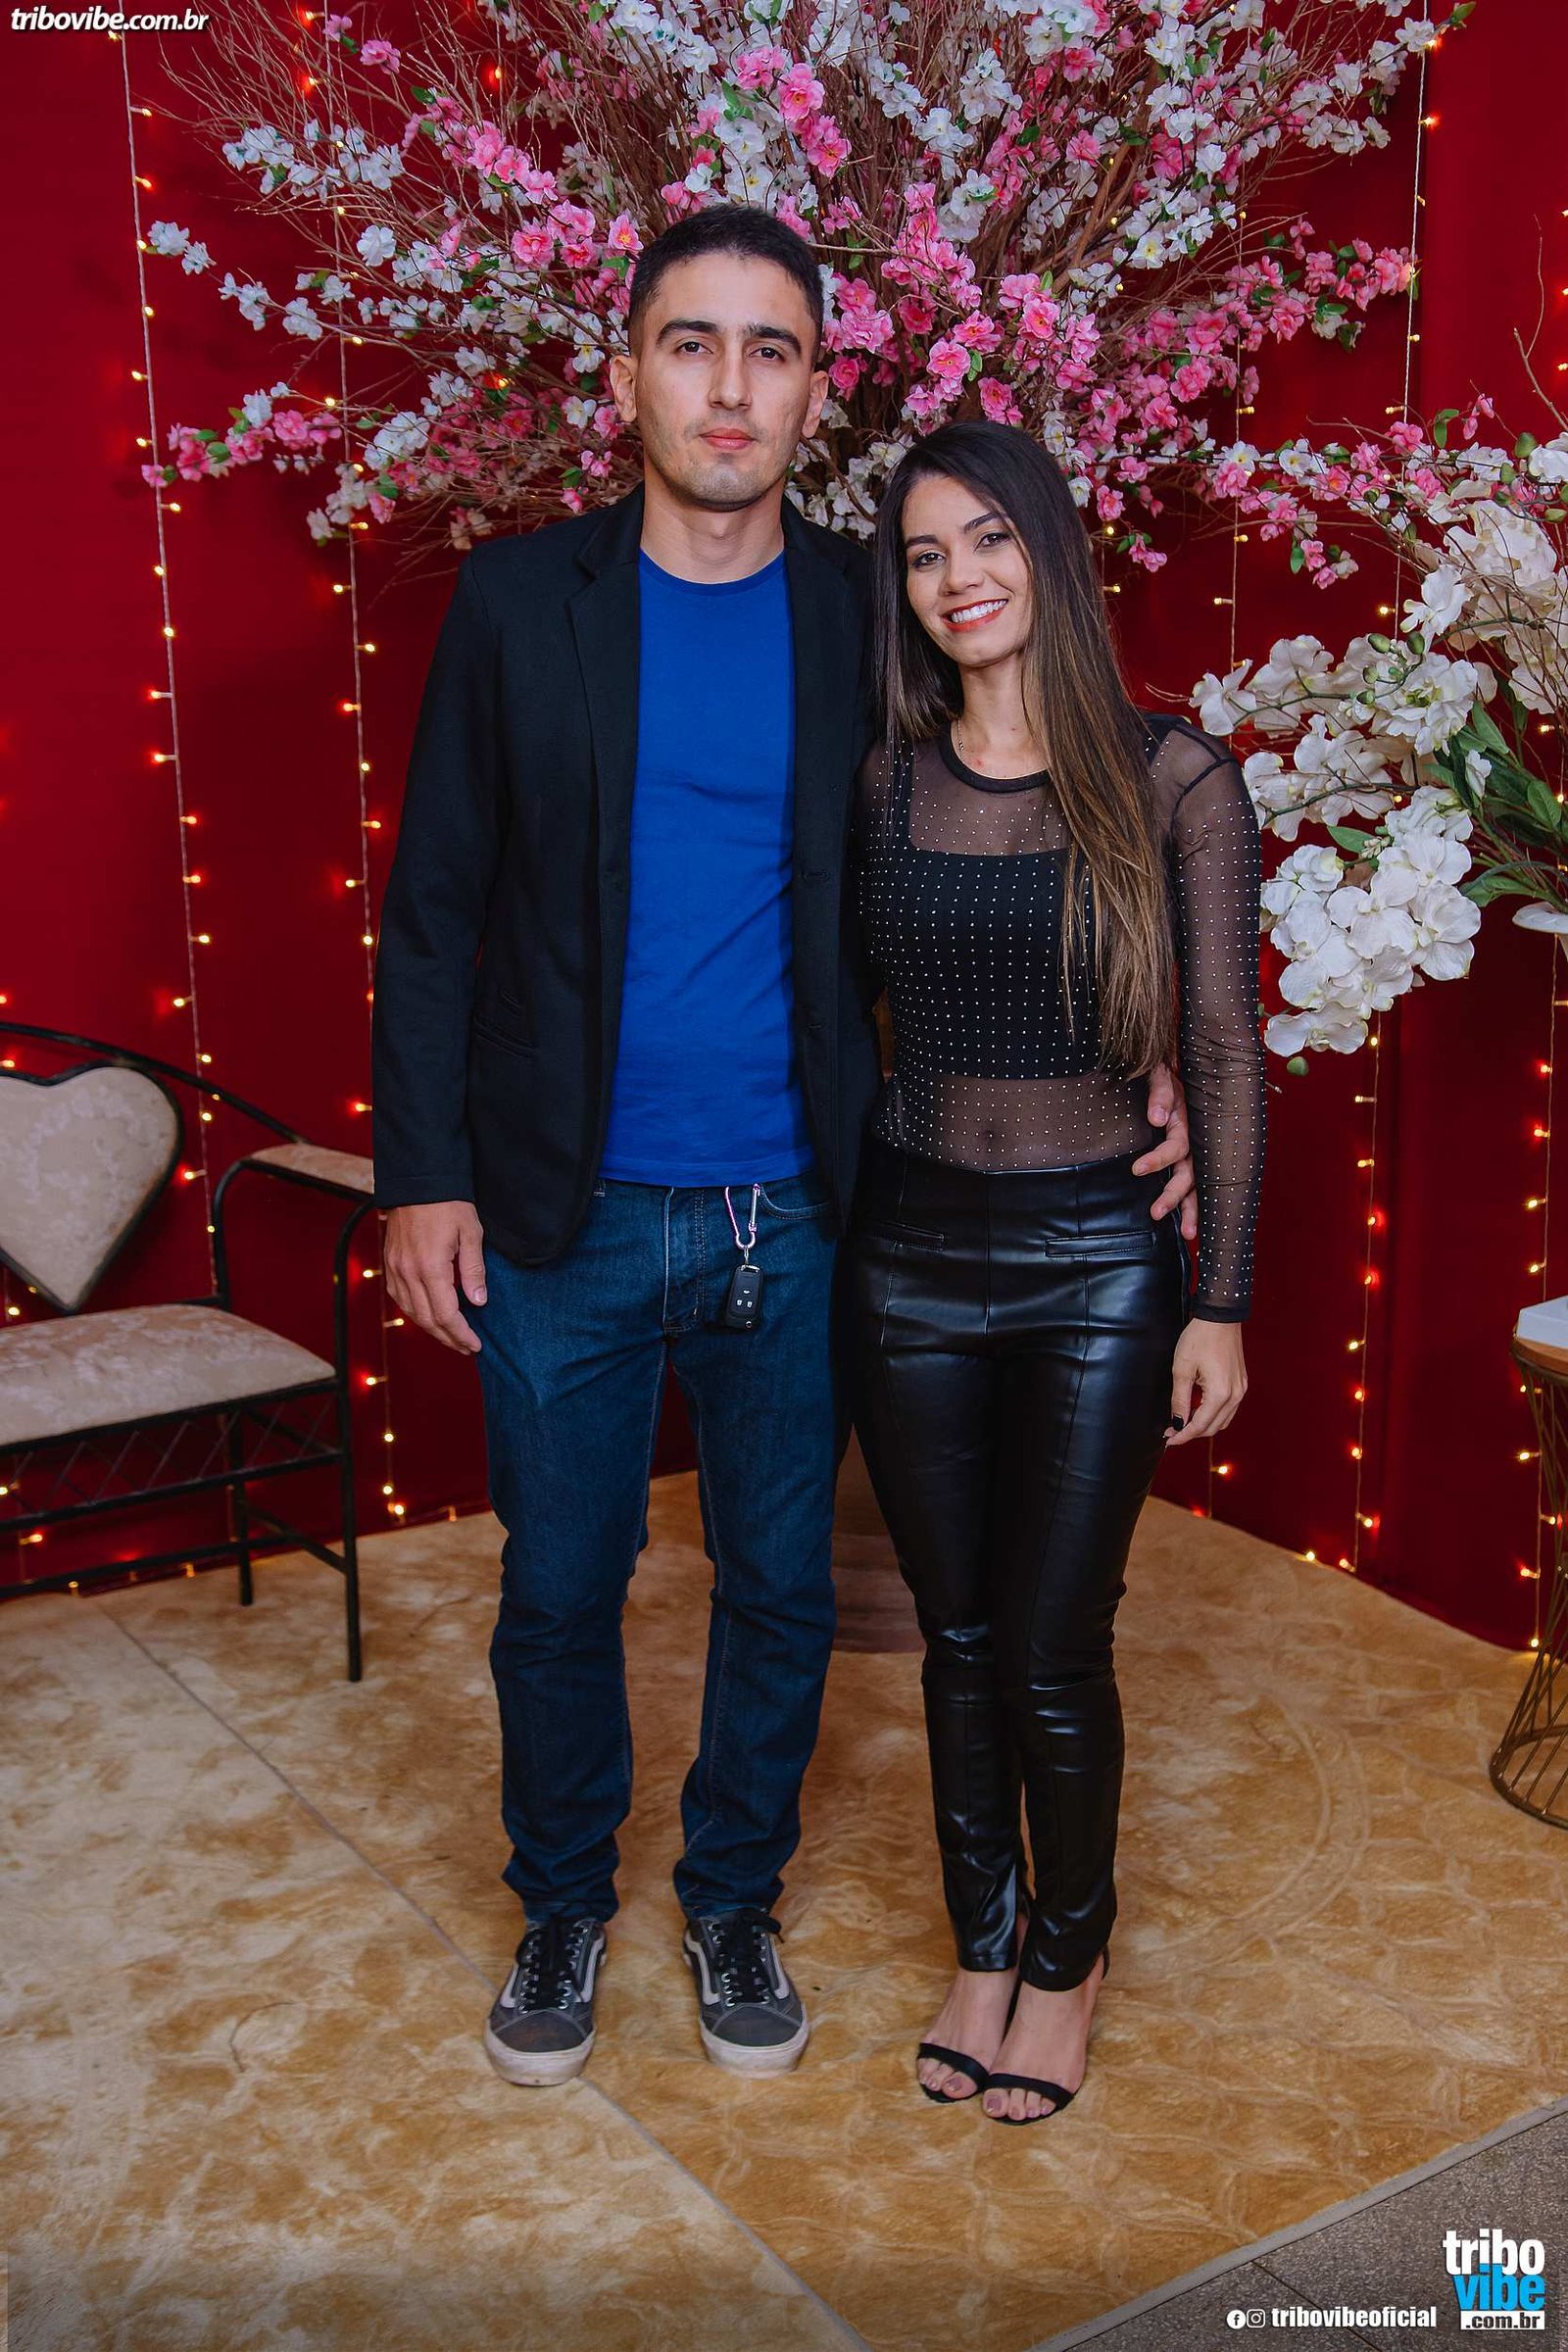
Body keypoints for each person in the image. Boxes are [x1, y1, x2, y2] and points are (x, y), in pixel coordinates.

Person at [370, 207, 1195, 2089]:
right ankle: (561, 1902)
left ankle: (732, 1894)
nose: (730, 387)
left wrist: (1141, 1049)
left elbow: (1011, 814)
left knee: (780, 1589)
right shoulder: (516, 604)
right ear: (625, 378)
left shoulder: (865, 607)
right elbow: (434, 915)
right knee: (558, 1590)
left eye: (773, 351)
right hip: (560, 1208)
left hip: (808, 1209)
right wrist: (422, 1174)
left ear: (818, 391)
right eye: (693, 343)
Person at [845, 418, 1265, 2125]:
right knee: (954, 1636)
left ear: (1053, 551)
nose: (959, 579)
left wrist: (1222, 1296)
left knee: (1050, 1642)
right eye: (925, 552)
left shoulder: (1174, 779)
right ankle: (983, 1945)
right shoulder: (880, 779)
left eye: (989, 539)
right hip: (904, 1256)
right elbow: (829, 1017)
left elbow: (1223, 1046)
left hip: (1101, 1259)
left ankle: (1069, 1964)